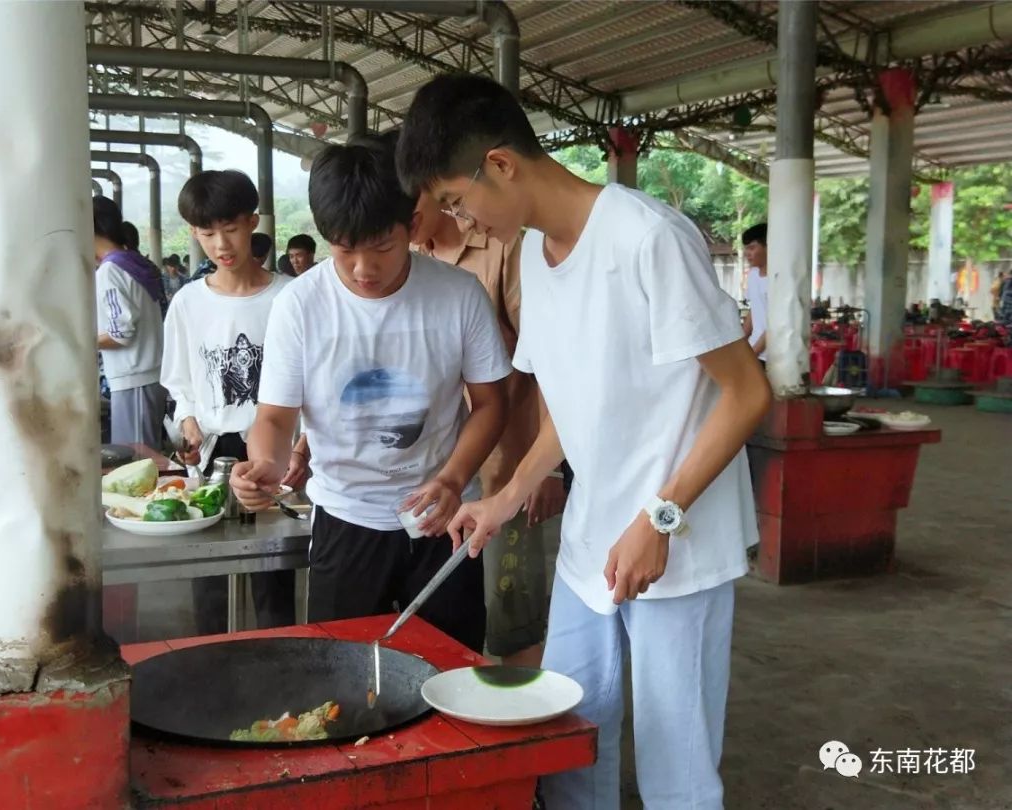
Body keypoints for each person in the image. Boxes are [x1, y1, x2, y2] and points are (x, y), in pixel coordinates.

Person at [397, 74, 771, 810]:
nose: (460, 222)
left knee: (676, 758)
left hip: (677, 547)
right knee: (567, 734)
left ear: (500, 164)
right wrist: (504, 497)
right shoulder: (536, 254)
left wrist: (659, 520)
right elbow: (573, 403)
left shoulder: (648, 238)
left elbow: (746, 393)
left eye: (455, 201)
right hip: (589, 544)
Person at [230, 136, 510, 653]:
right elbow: (274, 415)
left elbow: (492, 403)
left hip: (443, 519)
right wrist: (264, 463)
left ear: (413, 223)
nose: (363, 268)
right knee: (340, 669)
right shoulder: (300, 305)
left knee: (452, 665)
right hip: (346, 517)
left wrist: (453, 479)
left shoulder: (456, 294)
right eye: (343, 249)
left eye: (382, 246)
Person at [409, 189, 564, 668]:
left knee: (512, 609)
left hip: (506, 468)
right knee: (441, 619)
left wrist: (546, 469)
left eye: (409, 202)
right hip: (434, 477)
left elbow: (546, 357)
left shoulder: (505, 246)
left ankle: (520, 728)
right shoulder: (404, 253)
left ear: (436, 189)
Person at [161, 169, 298, 635]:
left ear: (252, 222)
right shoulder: (187, 303)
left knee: (272, 571)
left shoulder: (289, 297)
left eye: (232, 228)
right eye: (207, 233)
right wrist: (188, 419)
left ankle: (278, 660)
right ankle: (212, 658)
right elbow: (179, 381)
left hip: (271, 453)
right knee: (210, 573)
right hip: (214, 452)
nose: (221, 243)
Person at [93, 196, 167, 448]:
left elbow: (120, 333)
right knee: (145, 461)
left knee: (135, 465)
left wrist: (82, 343)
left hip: (133, 378)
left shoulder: (110, 270)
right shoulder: (136, 262)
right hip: (149, 376)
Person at [741, 223, 768, 368]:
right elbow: (754, 311)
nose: (747, 253)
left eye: (752, 248)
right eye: (746, 248)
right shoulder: (753, 275)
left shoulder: (778, 281)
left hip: (769, 355)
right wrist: (740, 343)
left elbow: (774, 327)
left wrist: (753, 354)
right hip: (754, 350)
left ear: (768, 247)